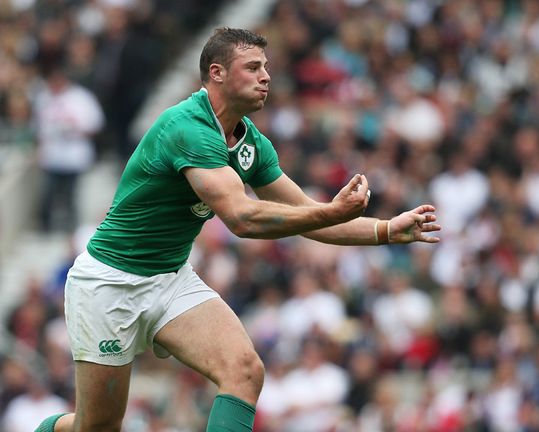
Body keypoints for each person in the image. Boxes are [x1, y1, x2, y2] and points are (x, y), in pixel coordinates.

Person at [36, 27, 441, 432]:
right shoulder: (187, 128)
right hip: (110, 283)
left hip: (170, 278)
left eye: (266, 67)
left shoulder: (252, 144)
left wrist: (386, 229)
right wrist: (330, 213)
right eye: (253, 67)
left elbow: (311, 216)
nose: (266, 76)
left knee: (245, 370)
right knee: (98, 426)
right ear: (217, 73)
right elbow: (242, 218)